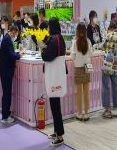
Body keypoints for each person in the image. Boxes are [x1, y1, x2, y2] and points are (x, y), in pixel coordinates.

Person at [42, 18, 66, 147]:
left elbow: (47, 56)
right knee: (55, 105)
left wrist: (42, 49)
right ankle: (57, 131)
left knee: (55, 106)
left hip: (53, 76)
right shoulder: (60, 38)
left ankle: (60, 135)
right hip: (59, 75)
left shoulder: (53, 40)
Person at [0, 17, 20, 124]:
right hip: (6, 71)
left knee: (6, 93)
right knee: (7, 93)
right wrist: (19, 55)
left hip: (4, 70)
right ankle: (5, 116)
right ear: (13, 31)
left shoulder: (6, 38)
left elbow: (9, 53)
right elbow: (11, 55)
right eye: (15, 34)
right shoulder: (8, 39)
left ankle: (5, 114)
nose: (15, 36)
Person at [101, 20, 117, 119]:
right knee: (116, 86)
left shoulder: (108, 35)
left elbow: (103, 47)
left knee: (105, 86)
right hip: (116, 64)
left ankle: (108, 110)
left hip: (107, 64)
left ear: (110, 27)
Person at [71, 22, 92, 122]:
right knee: (87, 92)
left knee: (79, 93)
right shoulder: (88, 41)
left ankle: (79, 113)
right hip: (87, 67)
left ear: (77, 31)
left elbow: (72, 56)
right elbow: (91, 53)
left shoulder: (75, 42)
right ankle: (87, 113)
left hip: (78, 68)